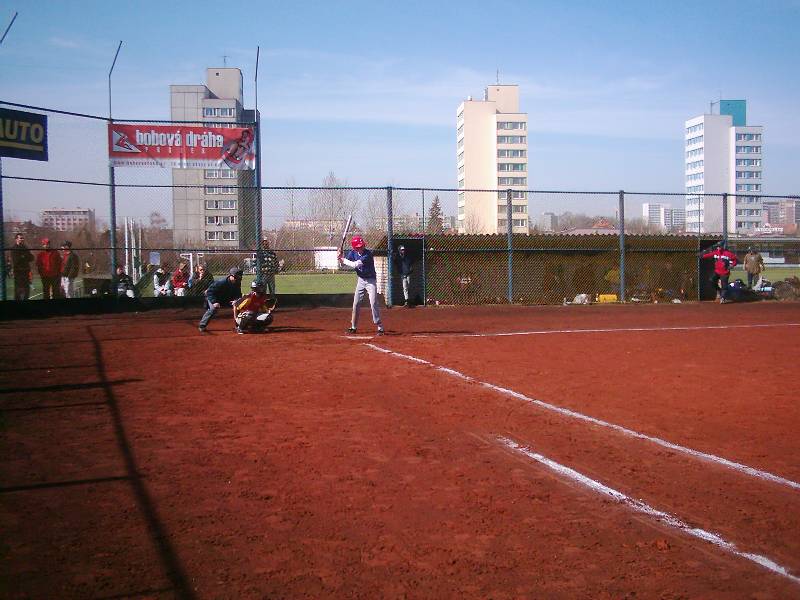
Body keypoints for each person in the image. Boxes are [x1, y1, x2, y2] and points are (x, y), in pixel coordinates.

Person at [338, 235, 384, 335]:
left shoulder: (368, 254)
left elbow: (355, 264)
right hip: (361, 280)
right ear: (355, 248)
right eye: (359, 246)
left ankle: (380, 326)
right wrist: (340, 258)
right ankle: (353, 326)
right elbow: (343, 264)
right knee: (356, 303)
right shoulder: (352, 253)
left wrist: (342, 259)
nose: (361, 247)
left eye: (362, 245)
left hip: (370, 280)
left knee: (373, 302)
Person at [198, 267, 243, 332]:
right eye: (238, 276)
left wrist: (236, 300)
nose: (239, 277)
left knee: (238, 306)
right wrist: (214, 302)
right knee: (213, 309)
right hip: (214, 298)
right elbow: (209, 292)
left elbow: (238, 294)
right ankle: (202, 325)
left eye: (240, 276)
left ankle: (239, 326)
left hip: (225, 299)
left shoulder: (237, 283)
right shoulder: (221, 282)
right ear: (232, 276)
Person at [10, 233, 34, 301]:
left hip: (26, 271)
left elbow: (31, 258)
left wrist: (23, 256)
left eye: (23, 238)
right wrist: (25, 256)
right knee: (19, 290)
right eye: (20, 238)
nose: (22, 239)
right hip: (18, 272)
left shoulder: (25, 247)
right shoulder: (14, 248)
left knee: (27, 289)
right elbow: (16, 260)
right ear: (16, 239)